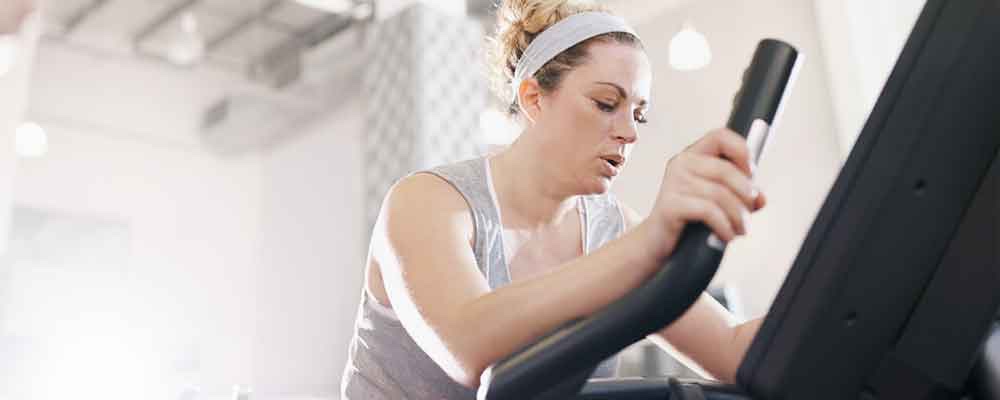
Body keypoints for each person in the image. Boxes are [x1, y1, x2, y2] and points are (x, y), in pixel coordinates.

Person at [341, 0, 768, 398]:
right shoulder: (427, 203)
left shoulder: (613, 231)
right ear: (533, 99)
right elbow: (470, 349)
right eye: (605, 104)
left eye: (639, 114)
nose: (630, 132)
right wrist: (649, 245)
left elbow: (733, 350)